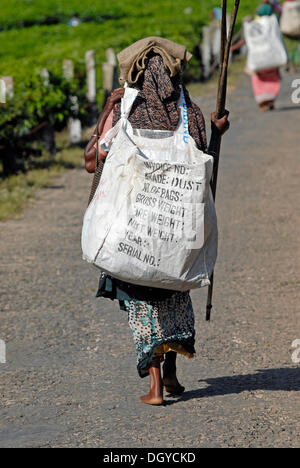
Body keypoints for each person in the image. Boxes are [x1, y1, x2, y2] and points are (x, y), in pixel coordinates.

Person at [84, 37, 230, 406]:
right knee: (172, 289)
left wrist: (106, 110)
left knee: (143, 299)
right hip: (176, 227)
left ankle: (155, 389)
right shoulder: (191, 113)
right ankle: (172, 375)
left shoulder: (123, 112)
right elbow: (205, 163)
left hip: (133, 228)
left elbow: (93, 160)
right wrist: (218, 132)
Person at [231, 2, 283, 111]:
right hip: (272, 61)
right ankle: (271, 100)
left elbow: (247, 39)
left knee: (258, 81)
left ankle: (262, 103)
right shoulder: (274, 23)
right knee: (272, 80)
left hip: (257, 60)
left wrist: (234, 47)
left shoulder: (255, 24)